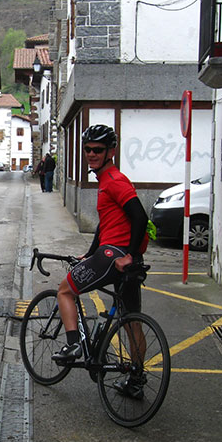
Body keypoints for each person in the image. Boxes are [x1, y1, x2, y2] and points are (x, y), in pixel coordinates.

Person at [50, 124, 149, 397]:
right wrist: (90, 252)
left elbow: (140, 217)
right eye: (87, 149)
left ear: (111, 152)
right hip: (118, 256)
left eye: (98, 150)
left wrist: (127, 254)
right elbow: (105, 225)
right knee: (131, 322)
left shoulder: (114, 181)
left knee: (64, 290)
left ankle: (73, 345)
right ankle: (136, 381)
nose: (91, 154)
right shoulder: (106, 181)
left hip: (114, 256)